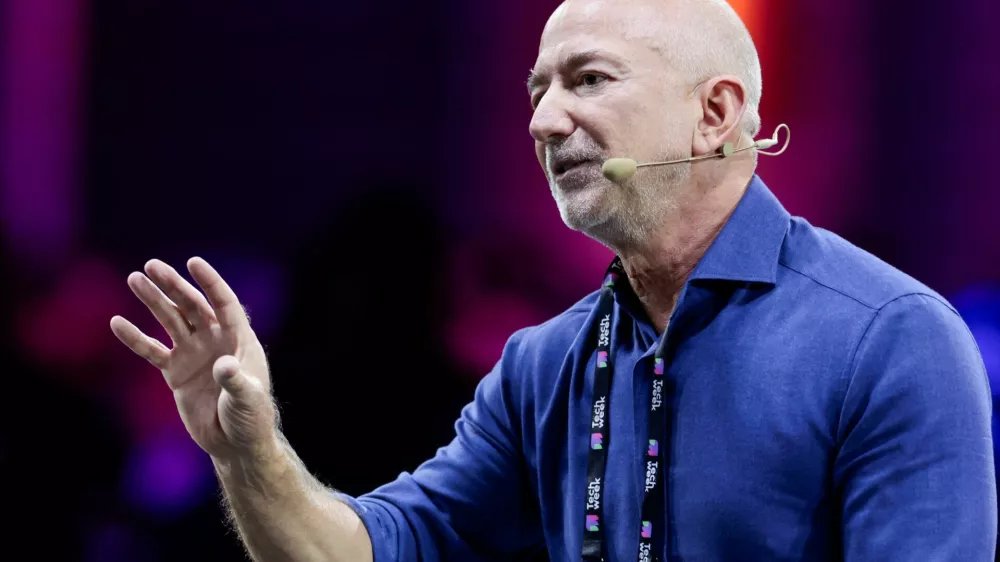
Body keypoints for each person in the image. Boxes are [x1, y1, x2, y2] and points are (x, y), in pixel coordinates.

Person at [109, 0, 997, 560]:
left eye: (587, 80)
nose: (542, 119)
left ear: (715, 112)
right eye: (536, 89)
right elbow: (363, 552)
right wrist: (248, 452)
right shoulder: (545, 364)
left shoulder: (890, 337)